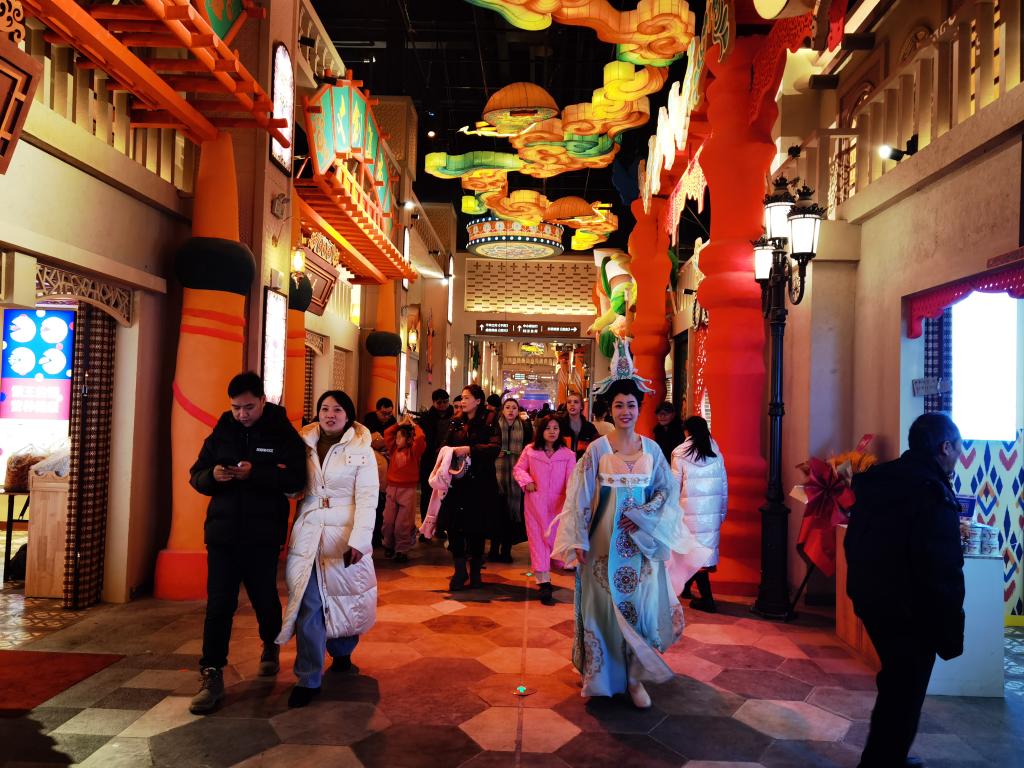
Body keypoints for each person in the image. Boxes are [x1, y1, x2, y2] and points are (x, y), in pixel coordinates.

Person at [552, 341, 707, 709]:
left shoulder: (652, 450)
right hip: (601, 544)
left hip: (639, 547)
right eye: (619, 405)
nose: (625, 411)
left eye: (631, 405)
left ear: (640, 408)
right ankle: (600, 677)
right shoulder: (597, 450)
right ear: (611, 408)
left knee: (637, 610)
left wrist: (642, 514)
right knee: (601, 609)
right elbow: (578, 497)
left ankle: (635, 679)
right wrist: (578, 538)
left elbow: (666, 493)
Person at [845, 413, 965, 768]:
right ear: (945, 447)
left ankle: (883, 757)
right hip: (911, 613)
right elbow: (941, 568)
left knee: (896, 684)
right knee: (905, 692)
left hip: (874, 602)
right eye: (959, 448)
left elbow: (854, 543)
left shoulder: (879, 480)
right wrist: (949, 628)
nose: (959, 456)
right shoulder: (932, 492)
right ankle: (883, 762)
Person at [188, 372, 306, 715]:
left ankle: (270, 642)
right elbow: (196, 474)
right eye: (236, 407)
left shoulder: (281, 432)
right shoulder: (222, 430)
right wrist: (213, 476)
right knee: (219, 604)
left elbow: (297, 478)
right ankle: (211, 672)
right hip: (223, 533)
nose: (242, 414)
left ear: (263, 401)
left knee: (264, 597)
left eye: (249, 407)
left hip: (262, 533)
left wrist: (257, 472)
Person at [276, 390, 379, 708]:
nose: (329, 415)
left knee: (345, 599)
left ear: (348, 415)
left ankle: (342, 652)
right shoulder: (303, 444)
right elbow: (294, 488)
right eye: (324, 409)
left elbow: (368, 498)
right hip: (309, 532)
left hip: (343, 534)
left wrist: (360, 539)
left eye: (337, 410)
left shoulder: (361, 449)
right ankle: (308, 677)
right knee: (309, 604)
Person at [437, 384, 501, 591]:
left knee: (476, 528)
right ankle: (459, 570)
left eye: (466, 398)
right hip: (457, 482)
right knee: (454, 526)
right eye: (462, 398)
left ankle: (474, 572)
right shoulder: (456, 421)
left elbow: (495, 448)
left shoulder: (490, 420)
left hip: (480, 483)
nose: (462, 401)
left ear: (478, 400)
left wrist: (470, 450)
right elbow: (444, 446)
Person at [513, 414, 575, 605]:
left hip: (558, 506)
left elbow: (572, 479)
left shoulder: (568, 454)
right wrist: (527, 481)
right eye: (548, 428)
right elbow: (518, 469)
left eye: (555, 428)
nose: (552, 432)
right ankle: (544, 582)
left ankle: (556, 565)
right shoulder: (530, 450)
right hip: (535, 504)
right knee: (538, 541)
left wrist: (572, 499)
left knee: (555, 539)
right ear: (541, 431)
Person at [670, 416, 727, 612]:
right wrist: (721, 513)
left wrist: (670, 512)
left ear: (687, 432)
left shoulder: (680, 454)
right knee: (699, 553)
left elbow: (674, 487)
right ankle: (686, 589)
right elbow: (724, 487)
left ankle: (707, 599)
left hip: (687, 512)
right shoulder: (716, 454)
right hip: (711, 513)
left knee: (692, 553)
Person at [491, 397, 532, 563]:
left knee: (510, 512)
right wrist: (495, 451)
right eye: (507, 407)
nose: (510, 411)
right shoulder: (495, 425)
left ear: (518, 410)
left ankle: (506, 550)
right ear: (502, 410)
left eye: (514, 408)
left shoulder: (524, 427)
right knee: (496, 511)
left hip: (516, 474)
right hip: (497, 471)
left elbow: (529, 448)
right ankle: (494, 549)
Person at [382, 415, 426, 562]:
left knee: (403, 523)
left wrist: (414, 425)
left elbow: (420, 438)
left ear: (408, 440)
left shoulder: (413, 452)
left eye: (400, 438)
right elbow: (387, 433)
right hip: (392, 488)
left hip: (407, 490)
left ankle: (402, 550)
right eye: (396, 438)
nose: (396, 440)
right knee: (388, 521)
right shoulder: (393, 449)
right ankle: (388, 545)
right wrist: (399, 424)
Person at [417, 389, 453, 526]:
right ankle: (425, 525)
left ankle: (441, 526)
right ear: (433, 402)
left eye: (445, 402)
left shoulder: (454, 415)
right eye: (439, 402)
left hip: (447, 460)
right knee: (427, 493)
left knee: (444, 494)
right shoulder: (426, 418)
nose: (443, 405)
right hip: (429, 459)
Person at [559, 393, 599, 459]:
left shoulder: (589, 427)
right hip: (563, 462)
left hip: (583, 463)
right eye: (569, 402)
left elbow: (597, 447)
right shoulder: (559, 425)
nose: (572, 404)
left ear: (581, 406)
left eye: (576, 402)